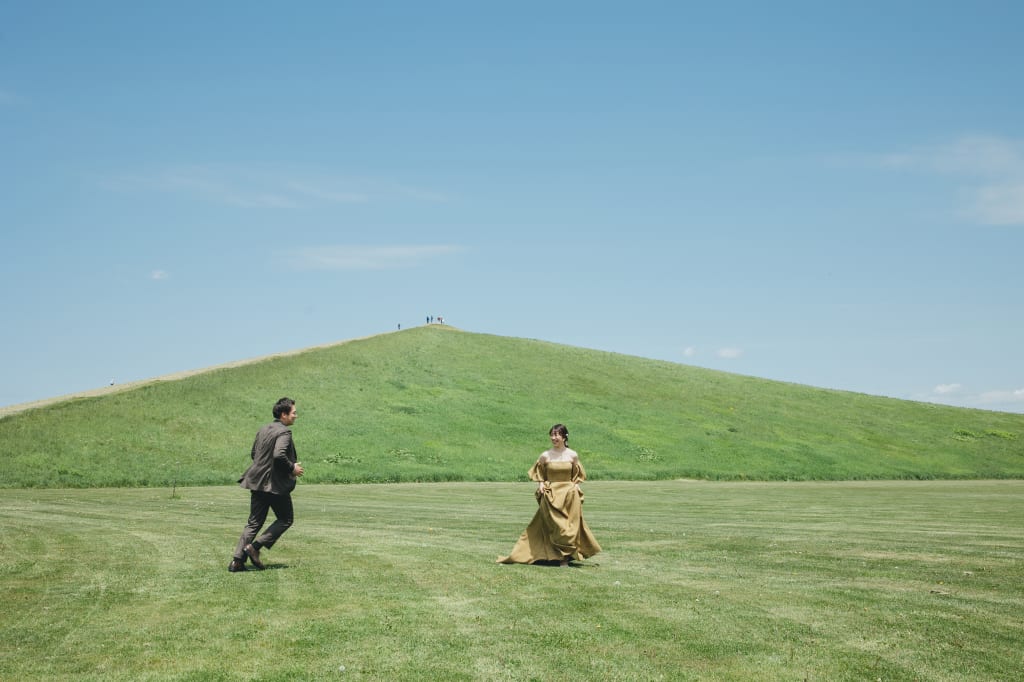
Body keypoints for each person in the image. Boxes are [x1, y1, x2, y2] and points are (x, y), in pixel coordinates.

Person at [497, 424, 601, 566]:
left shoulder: (573, 455)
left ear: (564, 437)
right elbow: (540, 475)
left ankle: (565, 558)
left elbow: (577, 476)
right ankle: (556, 556)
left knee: (570, 528)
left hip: (569, 496)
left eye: (557, 435)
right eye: (552, 435)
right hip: (551, 495)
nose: (553, 438)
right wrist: (541, 485)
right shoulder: (545, 456)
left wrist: (575, 486)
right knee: (556, 528)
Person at [229, 397, 305, 572]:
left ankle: (237, 561)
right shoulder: (284, 432)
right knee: (286, 519)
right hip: (274, 485)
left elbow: (254, 453)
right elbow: (279, 455)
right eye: (294, 413)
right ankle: (254, 547)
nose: (296, 416)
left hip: (256, 481)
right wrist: (292, 468)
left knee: (253, 523)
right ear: (284, 414)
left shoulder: (263, 429)